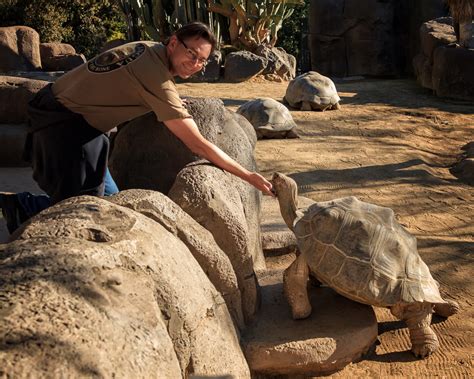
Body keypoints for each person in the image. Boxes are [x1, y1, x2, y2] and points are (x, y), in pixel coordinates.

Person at [0, 22, 273, 234]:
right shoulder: (156, 78)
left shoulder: (150, 50)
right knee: (82, 210)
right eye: (192, 54)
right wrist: (248, 175)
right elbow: (198, 144)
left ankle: (24, 207)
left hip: (77, 121)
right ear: (174, 42)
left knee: (112, 203)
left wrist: (168, 101)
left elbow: (132, 83)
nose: (196, 64)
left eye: (202, 60)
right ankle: (23, 206)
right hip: (64, 126)